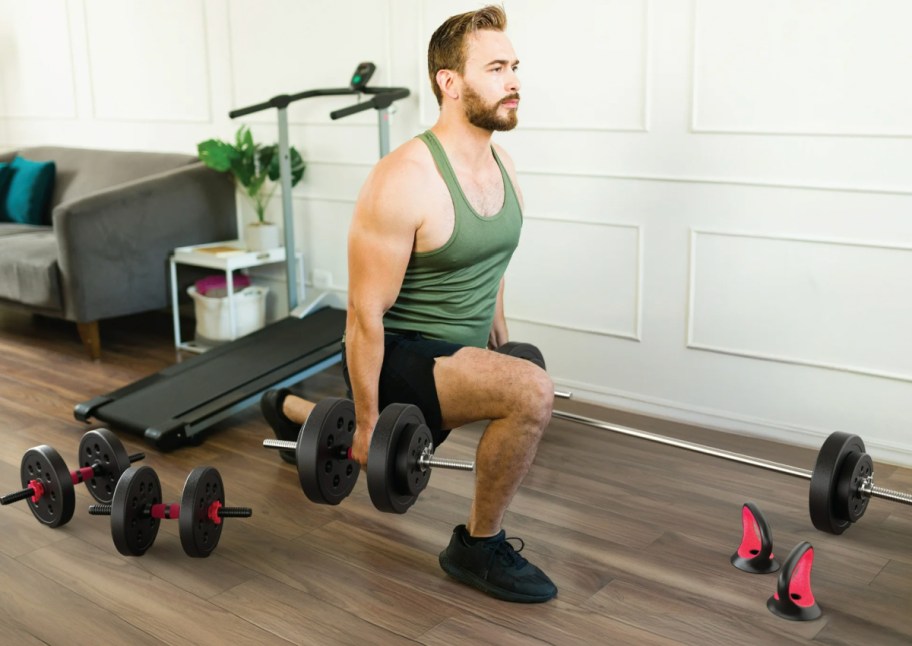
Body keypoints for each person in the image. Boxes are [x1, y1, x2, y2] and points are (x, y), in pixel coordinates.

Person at [261, 5, 556, 603]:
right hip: (404, 356)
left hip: (457, 357)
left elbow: (490, 262)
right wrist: (369, 424)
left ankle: (286, 409)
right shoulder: (404, 178)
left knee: (523, 374)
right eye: (496, 68)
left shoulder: (503, 165)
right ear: (451, 83)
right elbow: (365, 315)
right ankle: (476, 547)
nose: (515, 81)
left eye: (515, 66)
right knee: (532, 392)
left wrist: (502, 344)